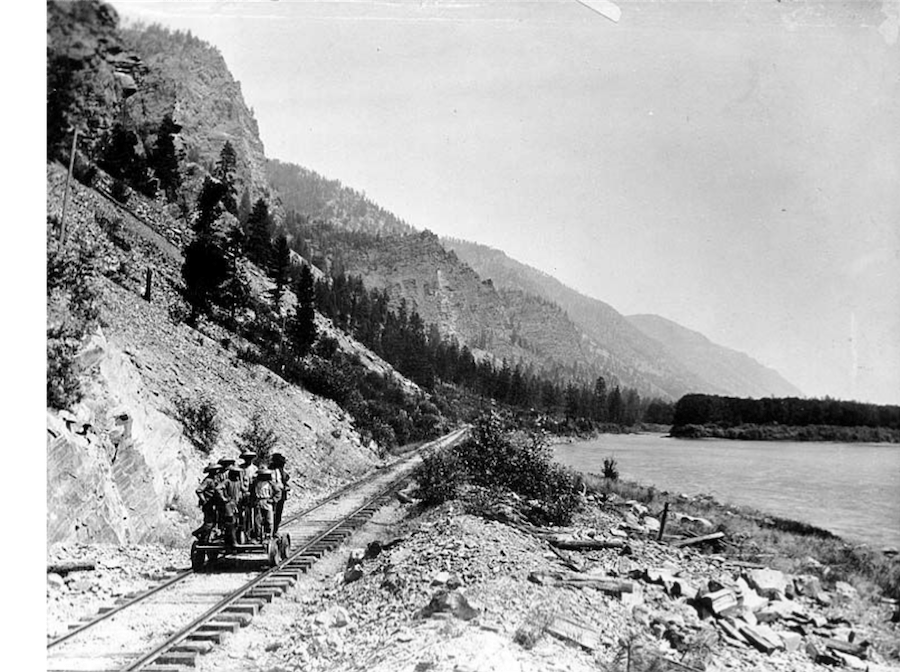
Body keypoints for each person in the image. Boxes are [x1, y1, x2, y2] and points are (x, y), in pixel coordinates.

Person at [192, 462, 223, 543]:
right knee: (209, 523)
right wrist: (204, 500)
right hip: (209, 505)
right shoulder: (208, 480)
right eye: (215, 470)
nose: (217, 472)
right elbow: (199, 490)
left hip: (215, 504)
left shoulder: (216, 480)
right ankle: (198, 533)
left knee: (215, 523)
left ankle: (207, 539)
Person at [252, 467, 282, 540]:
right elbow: (252, 492)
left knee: (269, 520)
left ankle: (268, 535)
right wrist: (253, 500)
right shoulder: (255, 483)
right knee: (257, 520)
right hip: (259, 501)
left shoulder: (271, 484)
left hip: (267, 501)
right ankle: (258, 536)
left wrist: (273, 500)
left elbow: (278, 492)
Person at [219, 466, 243, 546]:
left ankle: (232, 540)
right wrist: (223, 498)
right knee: (231, 522)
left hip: (236, 505)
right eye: (235, 474)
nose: (237, 475)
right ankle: (233, 541)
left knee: (237, 523)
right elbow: (218, 488)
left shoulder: (238, 482)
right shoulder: (227, 481)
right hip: (229, 504)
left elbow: (244, 489)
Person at [269, 452, 291, 534]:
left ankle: (275, 530)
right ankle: (270, 530)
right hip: (271, 494)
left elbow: (285, 480)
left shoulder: (281, 472)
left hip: (280, 495)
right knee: (271, 514)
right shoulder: (270, 470)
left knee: (278, 514)